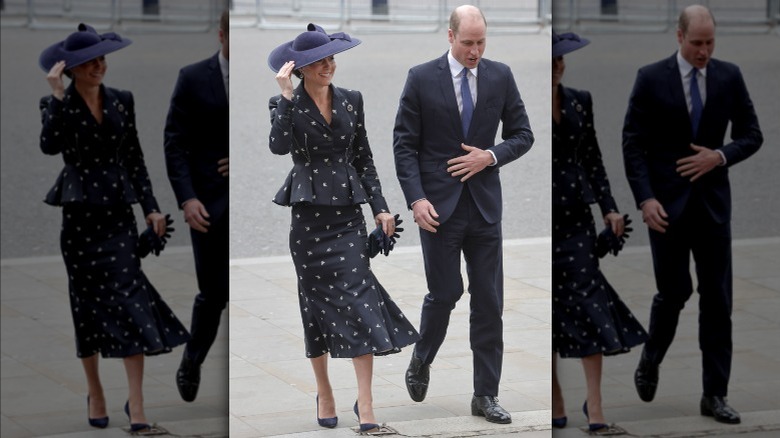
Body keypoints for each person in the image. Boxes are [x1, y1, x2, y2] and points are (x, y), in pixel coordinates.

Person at [266, 23, 420, 433]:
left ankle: (365, 402)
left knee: (360, 301)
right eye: (318, 62)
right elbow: (279, 146)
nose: (328, 66)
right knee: (314, 311)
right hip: (309, 224)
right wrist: (284, 98)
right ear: (299, 68)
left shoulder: (352, 101)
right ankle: (325, 392)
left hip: (348, 220)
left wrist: (382, 210)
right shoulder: (285, 103)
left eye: (331, 58)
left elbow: (364, 158)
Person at [38, 23, 189, 434]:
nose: (99, 66)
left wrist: (153, 209)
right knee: (85, 308)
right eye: (90, 62)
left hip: (119, 219)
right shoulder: (57, 104)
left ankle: (136, 403)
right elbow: (50, 145)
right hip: (81, 222)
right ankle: (96, 392)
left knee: (130, 301)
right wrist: (55, 97)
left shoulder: (122, 101)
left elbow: (135, 157)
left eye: (102, 59)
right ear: (71, 69)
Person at [393, 4, 534, 424]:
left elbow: (523, 134)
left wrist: (490, 156)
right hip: (438, 208)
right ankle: (422, 357)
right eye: (468, 43)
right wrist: (416, 200)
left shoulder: (500, 75)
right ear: (450, 37)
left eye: (481, 42)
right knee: (446, 292)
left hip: (485, 208)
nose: (475, 51)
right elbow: (404, 145)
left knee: (489, 302)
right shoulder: (421, 78)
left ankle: (485, 395)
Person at [623, 4, 762, 424]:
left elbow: (752, 134)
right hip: (666, 209)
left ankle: (714, 395)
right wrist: (645, 200)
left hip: (713, 210)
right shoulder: (650, 78)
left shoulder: (728, 76)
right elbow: (632, 144)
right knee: (674, 292)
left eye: (710, 43)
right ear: (679, 38)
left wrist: (719, 156)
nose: (704, 51)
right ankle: (650, 358)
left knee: (718, 302)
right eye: (697, 43)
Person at [550, 32, 648, 435]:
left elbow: (593, 158)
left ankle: (596, 402)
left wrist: (609, 207)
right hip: (546, 223)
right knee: (551, 311)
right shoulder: (518, 104)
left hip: (576, 221)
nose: (558, 65)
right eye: (551, 60)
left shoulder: (579, 100)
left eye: (560, 60)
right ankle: (555, 397)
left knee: (589, 303)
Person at [164, 8, 229, 403]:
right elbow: (174, 142)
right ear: (221, 35)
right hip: (205, 205)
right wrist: (187, 198)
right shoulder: (192, 77)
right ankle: (192, 359)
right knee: (213, 293)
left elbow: (276, 135)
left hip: (240, 202)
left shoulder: (268, 80)